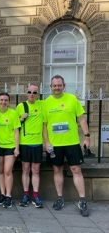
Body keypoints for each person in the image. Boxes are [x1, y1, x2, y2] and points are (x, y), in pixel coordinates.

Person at [43, 75, 90, 217]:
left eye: (59, 85)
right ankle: (59, 198)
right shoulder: (46, 103)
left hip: (72, 142)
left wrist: (87, 136)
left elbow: (81, 118)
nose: (57, 88)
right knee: (57, 169)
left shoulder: (72, 99)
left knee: (76, 169)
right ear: (50, 87)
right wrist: (46, 142)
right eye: (54, 85)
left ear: (64, 86)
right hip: (55, 144)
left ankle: (82, 200)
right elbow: (44, 126)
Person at [16, 84, 44, 208]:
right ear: (26, 93)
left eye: (34, 92)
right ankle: (26, 194)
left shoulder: (42, 105)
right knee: (25, 169)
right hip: (25, 143)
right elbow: (14, 125)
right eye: (29, 92)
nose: (32, 94)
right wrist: (21, 119)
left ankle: (36, 195)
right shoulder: (21, 106)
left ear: (38, 94)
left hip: (37, 142)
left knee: (36, 170)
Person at [0, 93, 20, 208]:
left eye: (6, 100)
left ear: (8, 102)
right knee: (0, 171)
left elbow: (16, 131)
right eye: (1, 100)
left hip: (10, 146)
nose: (3, 102)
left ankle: (9, 196)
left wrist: (17, 148)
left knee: (7, 171)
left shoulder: (13, 113)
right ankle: (2, 194)